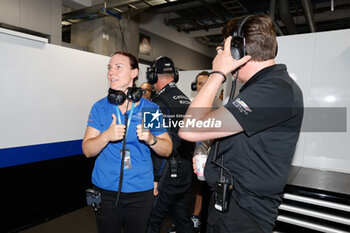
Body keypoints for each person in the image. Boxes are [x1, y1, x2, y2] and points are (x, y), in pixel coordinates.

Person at [179, 14, 303, 233]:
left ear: (237, 50)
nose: (220, 54)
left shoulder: (275, 90)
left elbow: (190, 128)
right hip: (229, 207)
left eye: (225, 49)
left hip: (244, 214)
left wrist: (217, 73)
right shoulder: (261, 88)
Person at [82, 51, 172, 233]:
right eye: (109, 68)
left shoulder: (149, 109)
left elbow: (167, 149)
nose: (111, 72)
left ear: (134, 73)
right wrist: (106, 136)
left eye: (118, 67)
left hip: (140, 192)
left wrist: (151, 138)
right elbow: (87, 150)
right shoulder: (100, 107)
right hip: (106, 190)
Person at [146, 56, 196, 233]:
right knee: (183, 220)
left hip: (165, 171)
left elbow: (150, 143)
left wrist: (155, 178)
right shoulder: (188, 101)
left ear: (153, 77)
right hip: (185, 170)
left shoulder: (155, 104)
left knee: (151, 222)